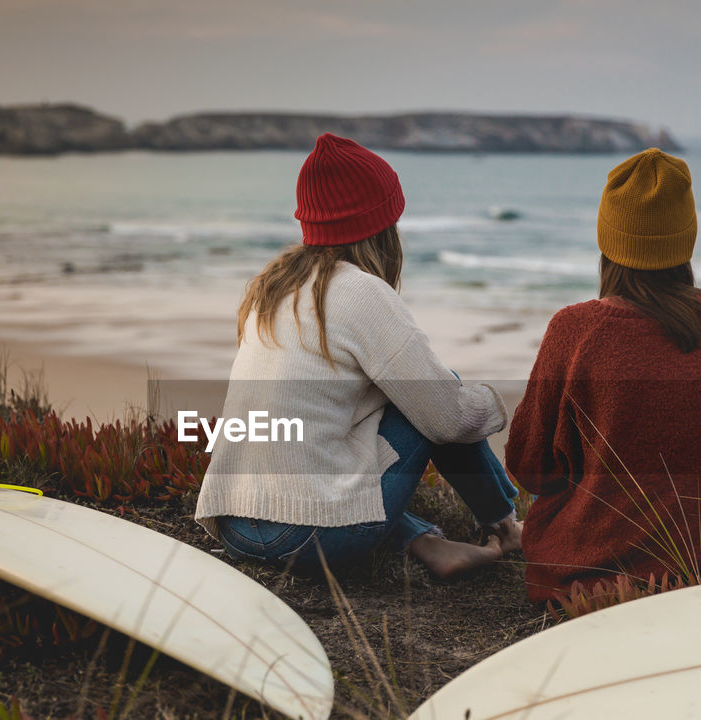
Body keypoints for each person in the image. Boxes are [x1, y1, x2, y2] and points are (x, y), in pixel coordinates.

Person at [195, 133, 522, 580]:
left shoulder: (271, 287)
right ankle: (503, 523)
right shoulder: (361, 293)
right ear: (383, 227)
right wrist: (489, 400)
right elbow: (446, 419)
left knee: (379, 407)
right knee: (437, 392)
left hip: (232, 523)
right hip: (310, 539)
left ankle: (423, 541)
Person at [505, 148, 701, 602]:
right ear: (686, 239)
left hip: (586, 588)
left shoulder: (575, 330)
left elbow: (530, 468)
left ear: (608, 241)